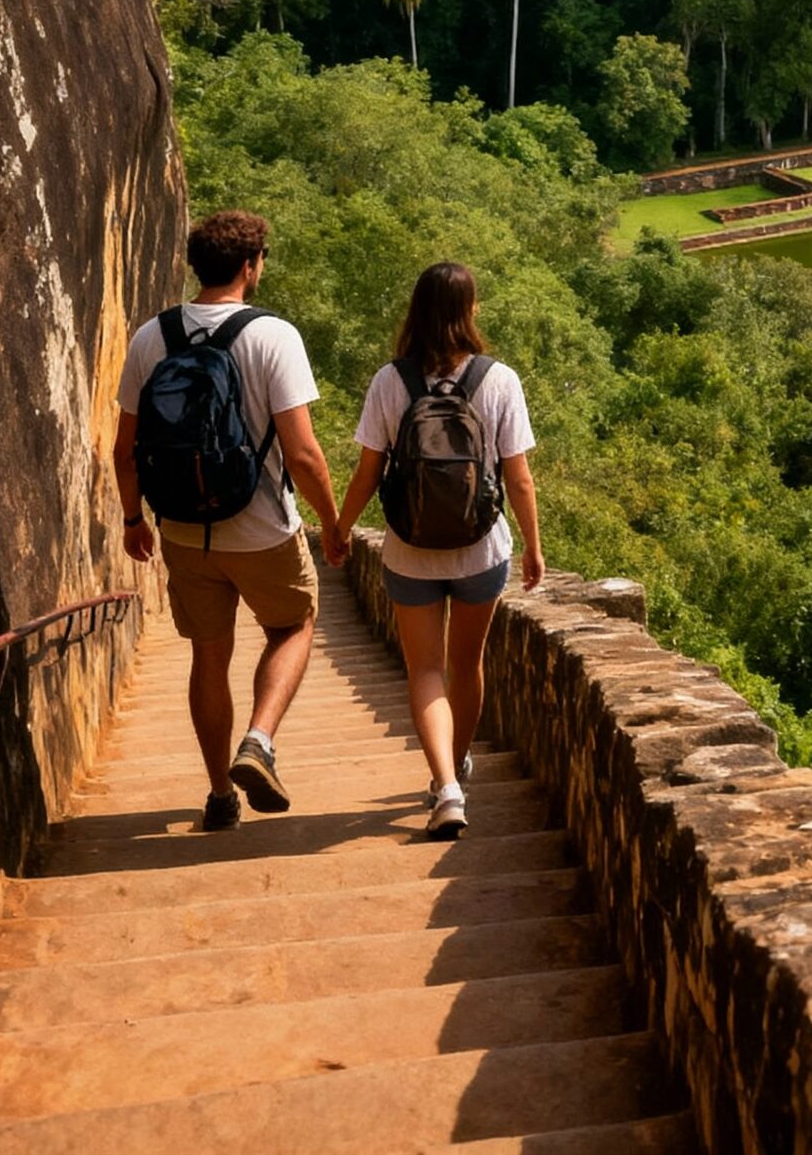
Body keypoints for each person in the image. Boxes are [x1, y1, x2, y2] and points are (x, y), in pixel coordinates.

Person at [114, 210, 343, 830]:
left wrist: (134, 519)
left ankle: (220, 796)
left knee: (208, 657)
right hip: (262, 526)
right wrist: (334, 525)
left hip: (182, 529)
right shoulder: (274, 337)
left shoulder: (149, 338)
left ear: (198, 266)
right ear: (251, 266)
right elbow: (302, 453)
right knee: (293, 625)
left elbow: (124, 450)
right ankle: (259, 740)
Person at [332, 262, 543, 839]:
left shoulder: (390, 381)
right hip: (481, 550)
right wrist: (532, 545)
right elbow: (519, 478)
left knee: (425, 669)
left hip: (408, 551)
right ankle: (459, 762)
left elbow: (368, 472)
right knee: (466, 664)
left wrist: (341, 528)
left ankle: (445, 785)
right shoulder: (499, 380)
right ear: (469, 310)